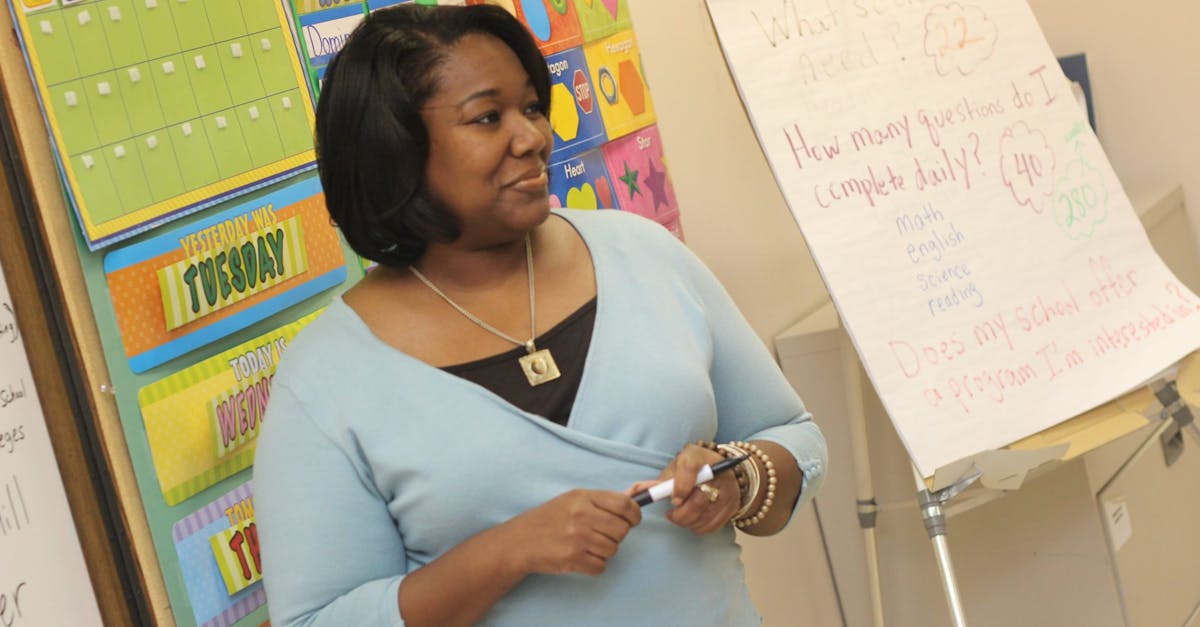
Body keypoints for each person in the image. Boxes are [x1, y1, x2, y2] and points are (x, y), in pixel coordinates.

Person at [253, 5, 826, 626]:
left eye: (530, 108)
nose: (532, 137)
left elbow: (792, 435)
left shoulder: (643, 254)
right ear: (394, 149)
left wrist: (740, 480)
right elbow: (316, 620)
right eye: (488, 117)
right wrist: (506, 553)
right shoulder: (326, 378)